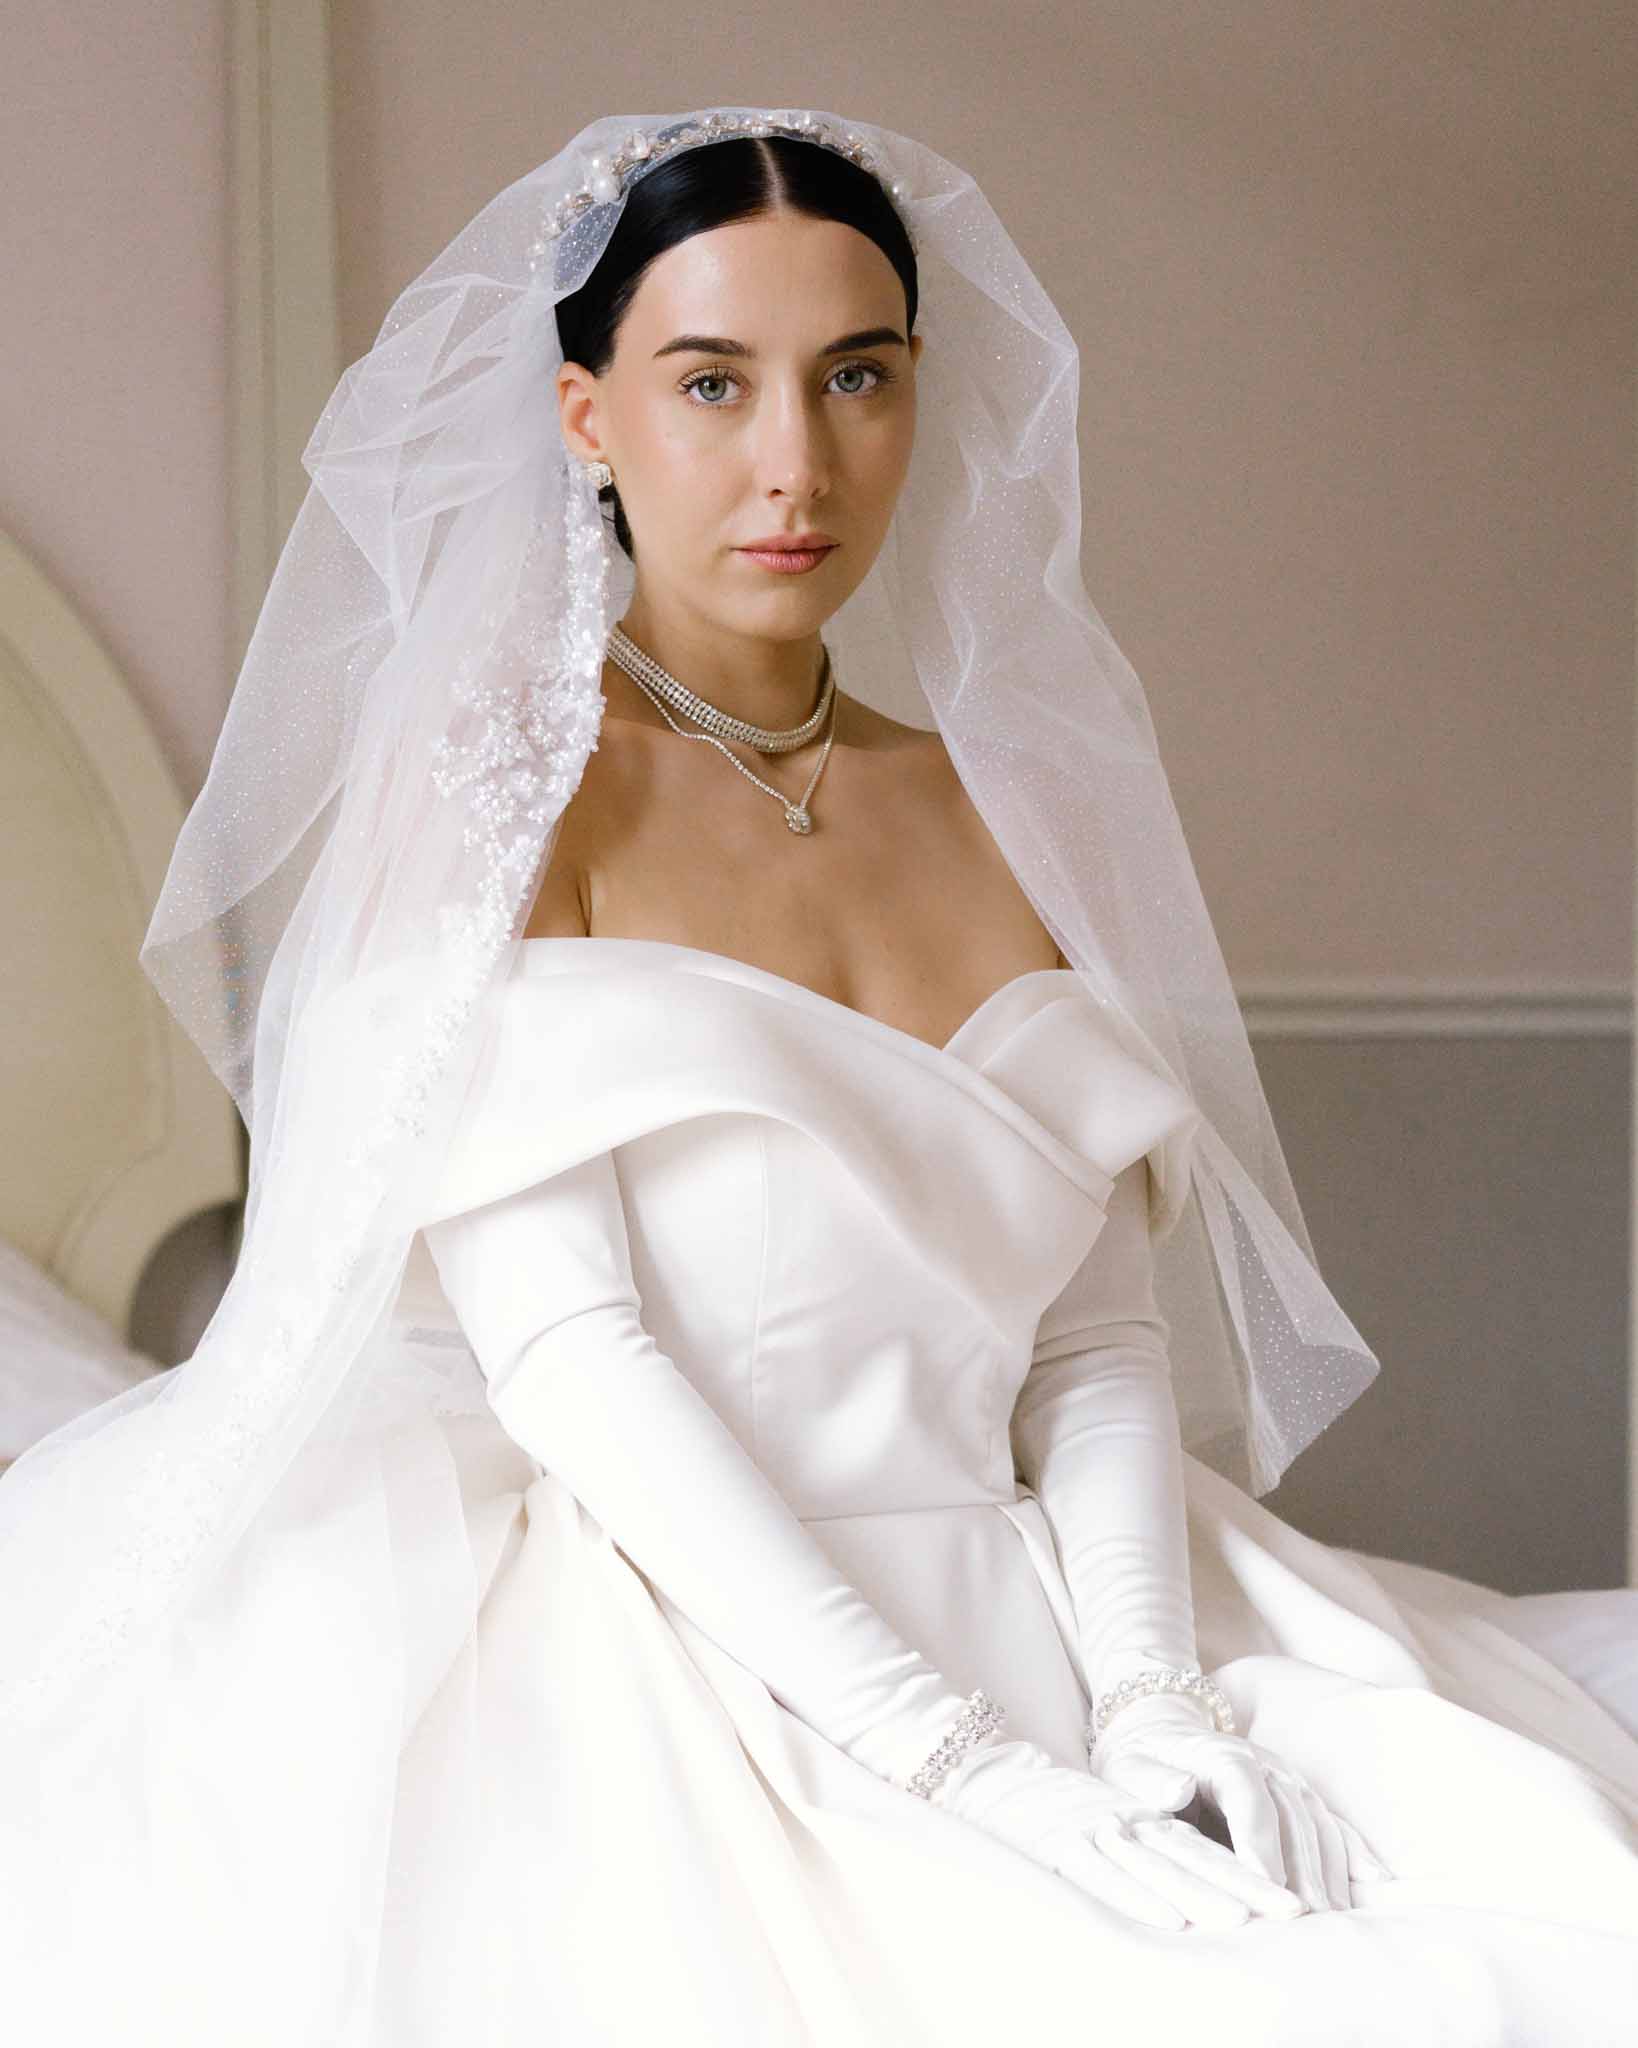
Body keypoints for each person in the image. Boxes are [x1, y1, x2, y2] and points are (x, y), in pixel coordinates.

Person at [2, 105, 1636, 2045]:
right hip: (666, 1617)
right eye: (713, 384)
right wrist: (966, 1768)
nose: (797, 463)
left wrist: (1147, 1700)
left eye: (857, 377)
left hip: (1062, 1592)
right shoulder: (503, 806)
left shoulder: (988, 801)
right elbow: (577, 1366)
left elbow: (1094, 1346)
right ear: (587, 417)